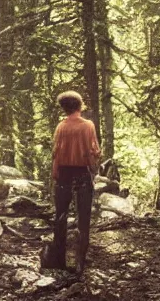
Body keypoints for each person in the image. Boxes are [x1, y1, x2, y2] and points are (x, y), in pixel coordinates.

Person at [48, 90, 101, 272]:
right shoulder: (88, 126)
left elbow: (55, 154)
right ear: (79, 105)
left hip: (63, 173)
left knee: (60, 216)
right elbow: (94, 151)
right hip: (81, 174)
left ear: (64, 108)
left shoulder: (60, 127)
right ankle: (80, 264)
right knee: (83, 218)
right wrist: (95, 164)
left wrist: (55, 174)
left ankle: (59, 261)